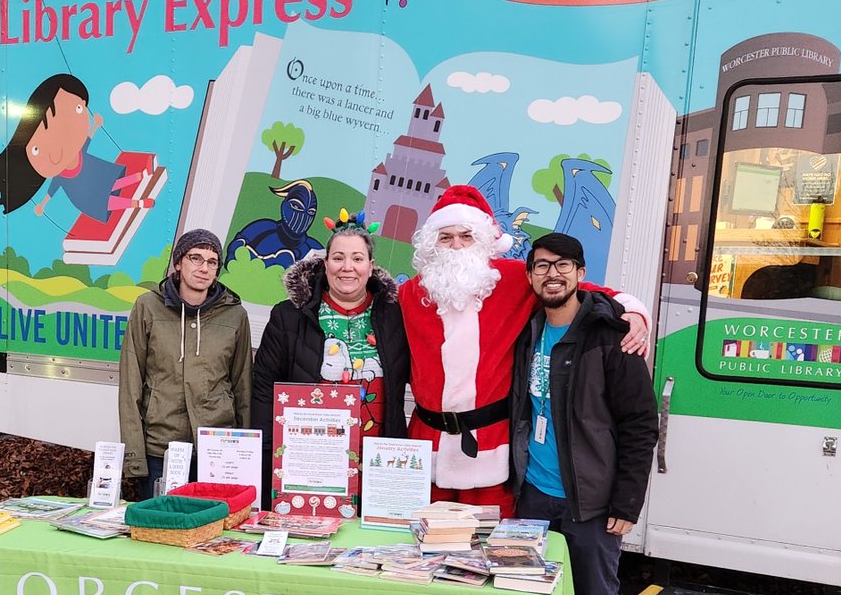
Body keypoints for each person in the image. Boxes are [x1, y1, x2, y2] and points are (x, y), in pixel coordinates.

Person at [399, 185, 651, 516]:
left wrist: (630, 310)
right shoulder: (410, 293)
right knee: (421, 548)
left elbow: (579, 290)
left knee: (487, 551)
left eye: (466, 236)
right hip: (427, 444)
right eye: (446, 237)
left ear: (485, 241)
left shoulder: (514, 279)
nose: (456, 246)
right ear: (432, 243)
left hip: (491, 447)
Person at [509, 232, 659, 595]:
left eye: (563, 266)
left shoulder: (609, 335)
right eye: (542, 266)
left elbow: (641, 423)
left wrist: (626, 502)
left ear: (579, 272)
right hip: (534, 496)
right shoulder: (527, 331)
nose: (552, 275)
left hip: (590, 501)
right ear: (529, 276)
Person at [251, 210, 409, 505]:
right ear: (325, 263)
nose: (347, 267)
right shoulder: (289, 317)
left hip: (378, 468)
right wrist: (272, 458)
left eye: (357, 259)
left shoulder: (395, 317)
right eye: (338, 258)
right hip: (309, 465)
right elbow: (263, 391)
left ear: (371, 266)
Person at [119, 229, 253, 497]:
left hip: (217, 450)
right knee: (161, 530)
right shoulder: (147, 307)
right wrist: (135, 456)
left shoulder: (235, 315)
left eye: (212, 261)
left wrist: (244, 455)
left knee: (213, 531)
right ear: (179, 263)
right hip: (161, 448)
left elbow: (243, 387)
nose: (204, 268)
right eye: (196, 258)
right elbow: (130, 383)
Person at [0, 73, 152, 220]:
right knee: (107, 202)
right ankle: (137, 203)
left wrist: (95, 126)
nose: (56, 155)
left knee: (114, 183)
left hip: (96, 177)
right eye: (37, 149)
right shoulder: (60, 175)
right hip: (84, 198)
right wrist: (42, 205)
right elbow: (52, 191)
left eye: (77, 109)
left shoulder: (78, 154)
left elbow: (87, 140)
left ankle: (141, 175)